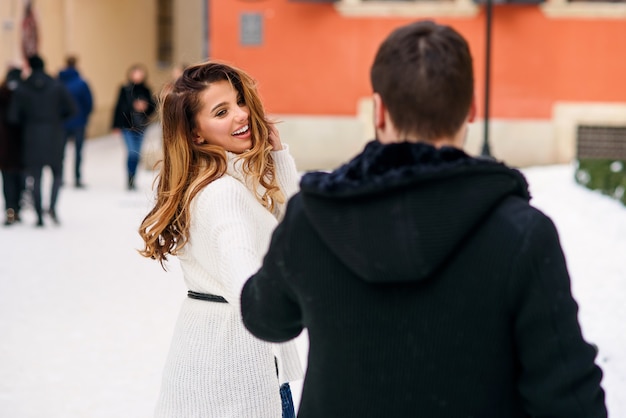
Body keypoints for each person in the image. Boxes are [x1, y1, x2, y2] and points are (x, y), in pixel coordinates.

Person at [240, 20, 608, 418]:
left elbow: (265, 317)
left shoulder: (312, 218)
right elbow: (571, 400)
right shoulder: (522, 233)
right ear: (471, 110)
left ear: (379, 112)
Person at [138, 61, 303, 418]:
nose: (242, 115)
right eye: (221, 111)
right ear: (196, 134)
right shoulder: (223, 194)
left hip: (211, 366)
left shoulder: (215, 183)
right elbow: (251, 283)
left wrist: (278, 157)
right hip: (234, 382)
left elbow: (293, 233)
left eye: (240, 101)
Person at [8, 55, 76, 227]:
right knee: (57, 174)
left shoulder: (22, 88)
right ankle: (52, 208)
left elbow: (13, 116)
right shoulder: (56, 85)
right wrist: (57, 119)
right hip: (55, 134)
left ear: (29, 66)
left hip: (31, 136)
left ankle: (39, 215)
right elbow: (73, 109)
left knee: (35, 177)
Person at [111, 63, 156, 190]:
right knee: (131, 152)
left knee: (137, 153)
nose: (138, 76)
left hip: (141, 126)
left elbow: (153, 108)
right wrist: (115, 126)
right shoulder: (124, 89)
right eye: (135, 73)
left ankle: (133, 177)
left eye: (140, 73)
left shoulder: (146, 90)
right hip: (127, 126)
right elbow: (118, 107)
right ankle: (130, 178)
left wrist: (145, 107)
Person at [58, 55, 94, 188]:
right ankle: (77, 178)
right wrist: (84, 117)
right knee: (78, 152)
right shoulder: (81, 83)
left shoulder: (59, 82)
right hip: (79, 122)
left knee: (60, 152)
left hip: (61, 123)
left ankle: (60, 177)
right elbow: (89, 102)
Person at [0, 66, 25, 225]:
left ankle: (10, 210)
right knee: (20, 178)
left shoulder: (2, 93)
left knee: (7, 179)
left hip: (4, 146)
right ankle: (17, 208)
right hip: (22, 145)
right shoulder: (25, 94)